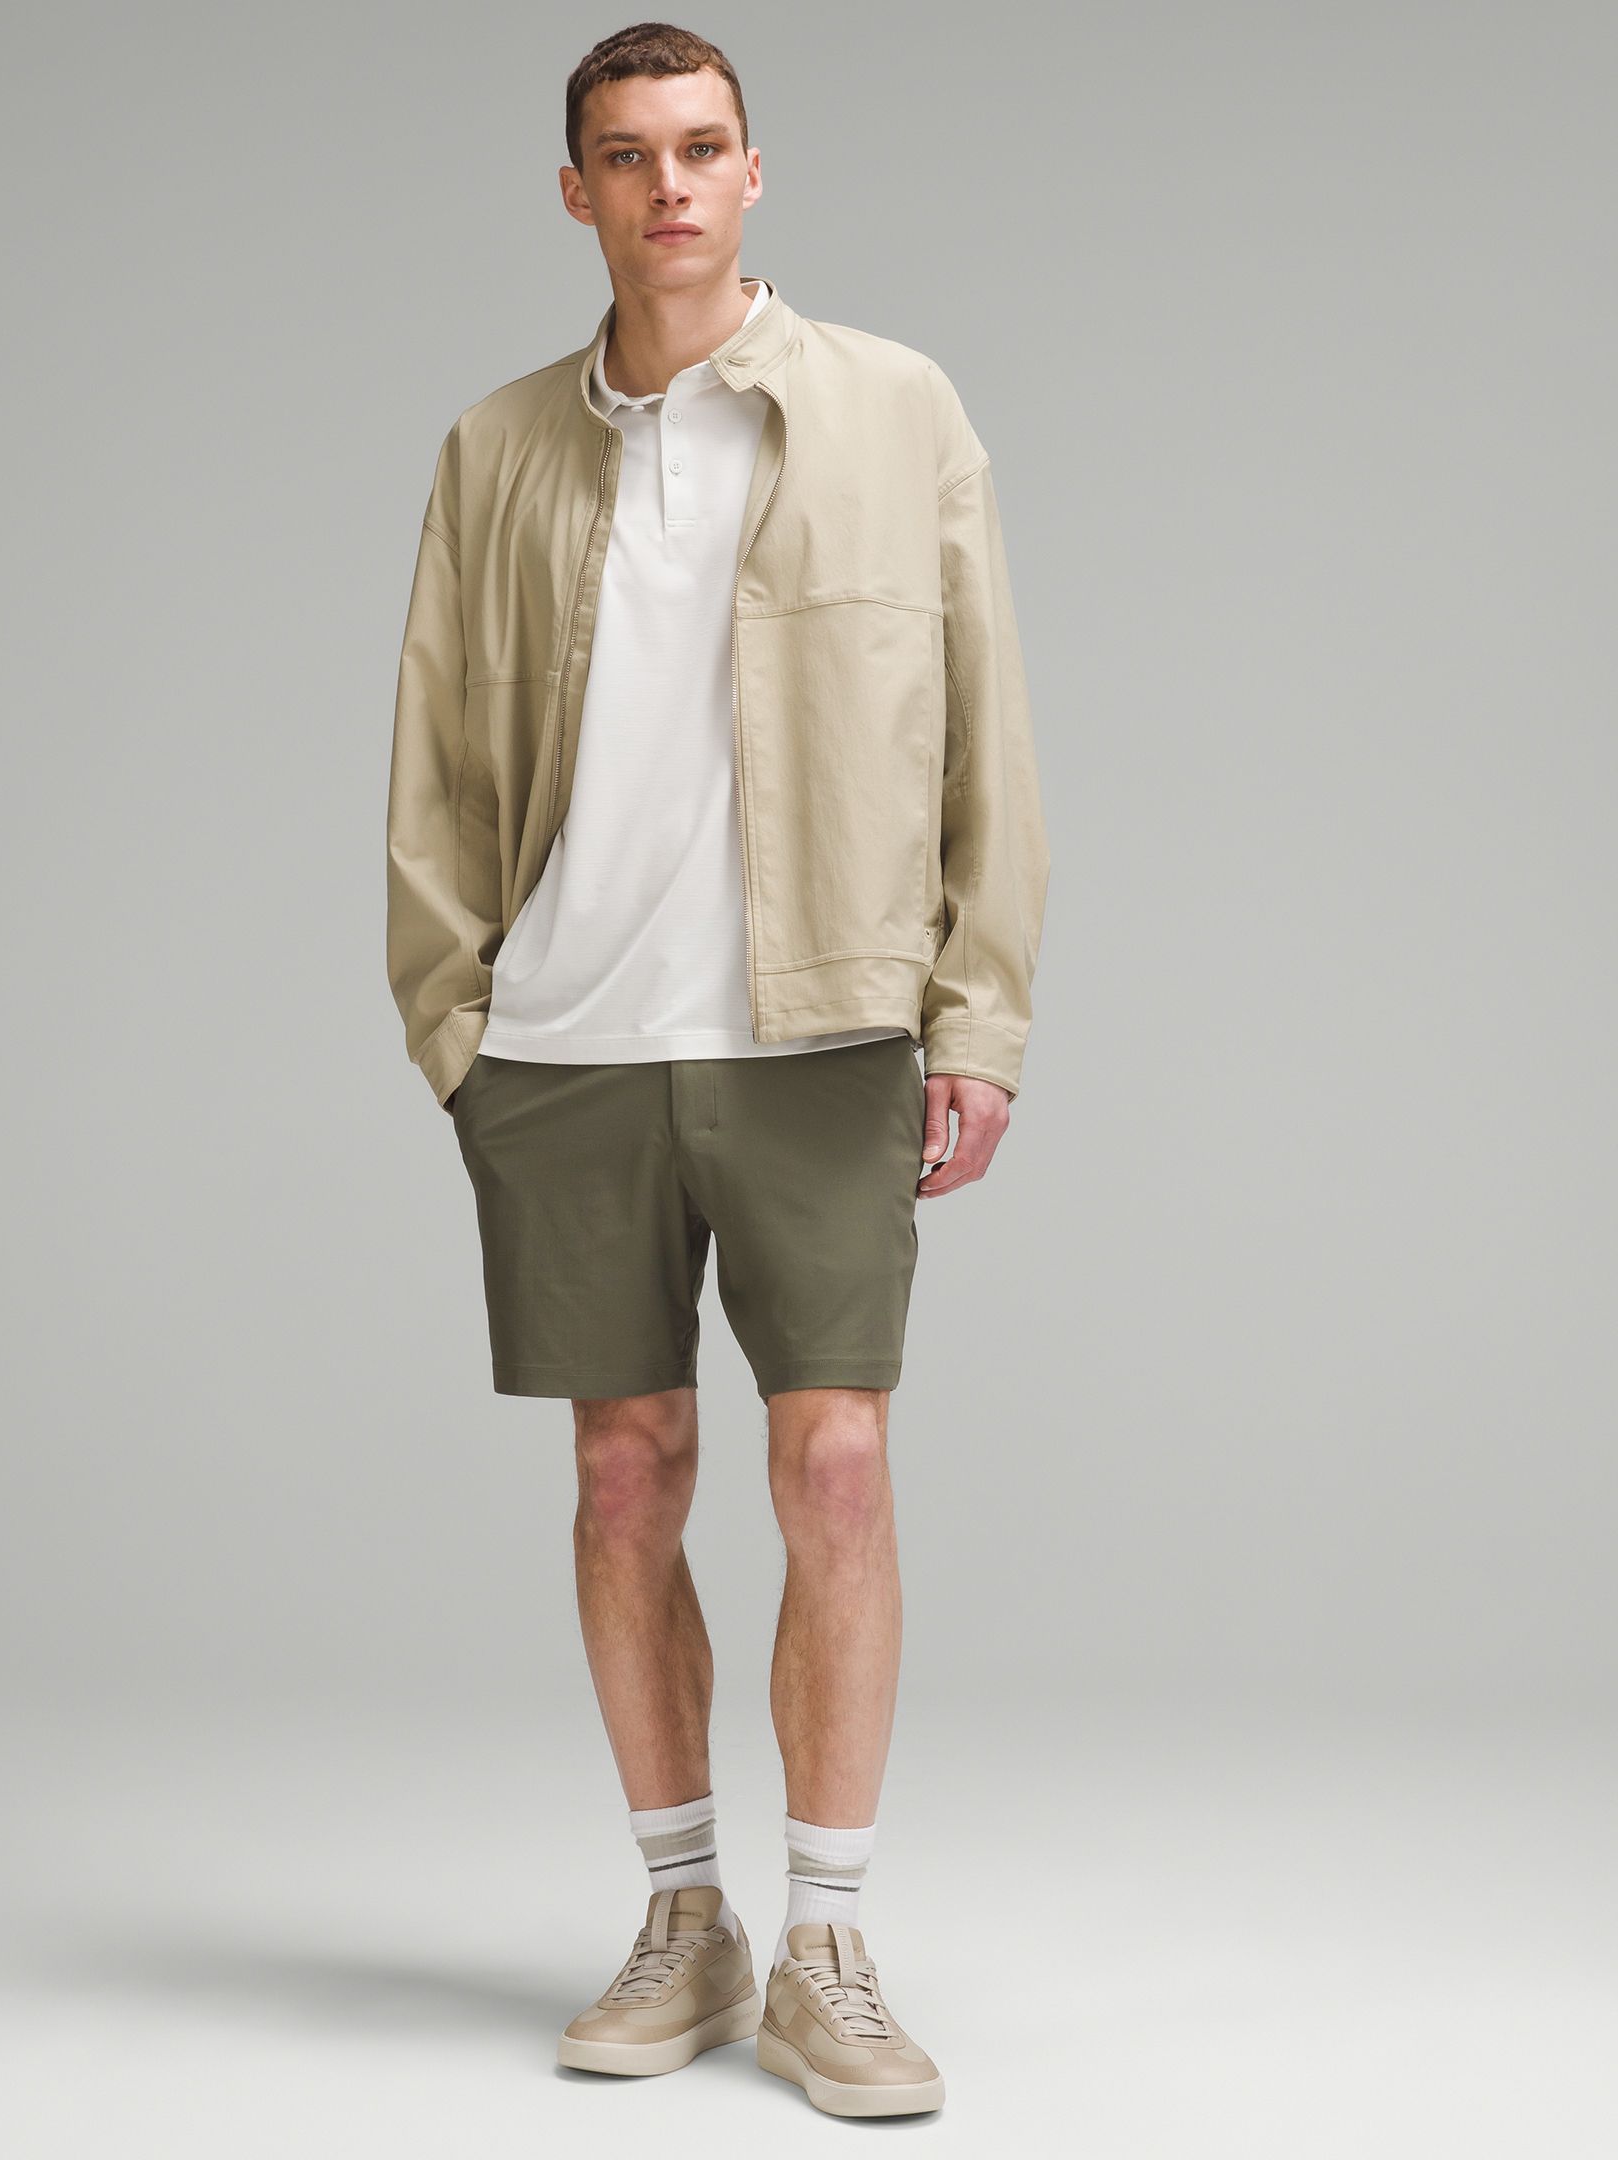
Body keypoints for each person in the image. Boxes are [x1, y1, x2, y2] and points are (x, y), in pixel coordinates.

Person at [386, 21, 1049, 2120]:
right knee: (621, 1475)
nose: (667, 184)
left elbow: (987, 722)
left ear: (755, 172)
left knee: (834, 1464)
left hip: (819, 1027)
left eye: (701, 147)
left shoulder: (893, 406)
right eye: (626, 154)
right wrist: (455, 1023)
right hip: (568, 1040)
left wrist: (978, 1011)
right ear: (574, 191)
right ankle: (687, 1921)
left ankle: (829, 1941)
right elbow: (434, 748)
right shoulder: (498, 445)